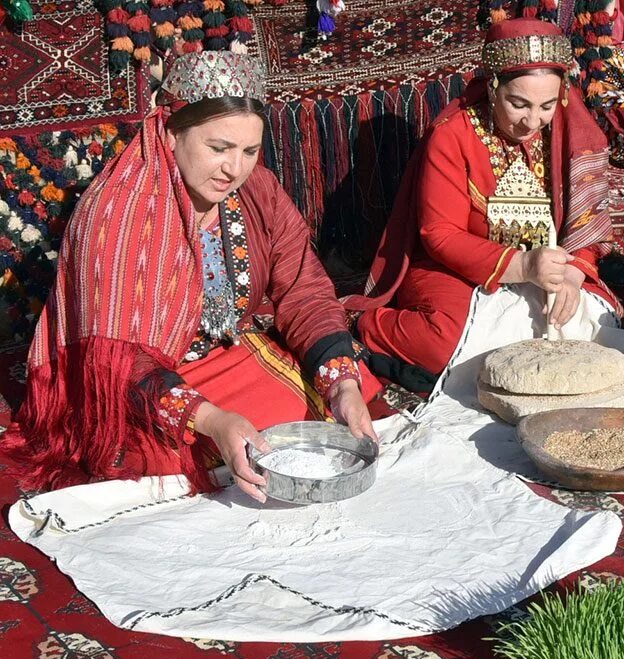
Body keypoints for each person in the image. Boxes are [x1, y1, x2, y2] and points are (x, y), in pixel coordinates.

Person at [2, 51, 428, 502]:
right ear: (170, 133)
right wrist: (211, 419)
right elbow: (114, 359)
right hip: (143, 379)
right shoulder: (118, 215)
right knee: (149, 463)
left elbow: (303, 288)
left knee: (338, 406)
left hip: (233, 351)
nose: (234, 169)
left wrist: (341, 383)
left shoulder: (257, 190)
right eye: (219, 148)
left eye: (249, 151)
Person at [346, 18, 619, 375]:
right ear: (492, 88)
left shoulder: (569, 132)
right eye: (519, 104)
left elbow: (587, 223)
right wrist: (521, 266)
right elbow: (439, 234)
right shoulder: (451, 136)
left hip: (551, 268)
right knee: (450, 347)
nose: (532, 122)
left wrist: (573, 274)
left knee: (597, 332)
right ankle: (373, 326)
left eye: (547, 105)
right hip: (459, 268)